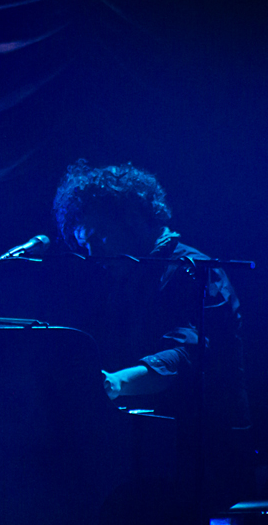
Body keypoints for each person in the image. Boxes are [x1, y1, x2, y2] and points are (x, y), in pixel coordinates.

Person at [52, 160, 251, 522]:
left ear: (132, 218)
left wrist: (116, 382)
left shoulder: (194, 270)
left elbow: (188, 355)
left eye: (98, 238)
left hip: (205, 451)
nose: (92, 255)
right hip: (154, 449)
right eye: (84, 245)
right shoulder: (127, 279)